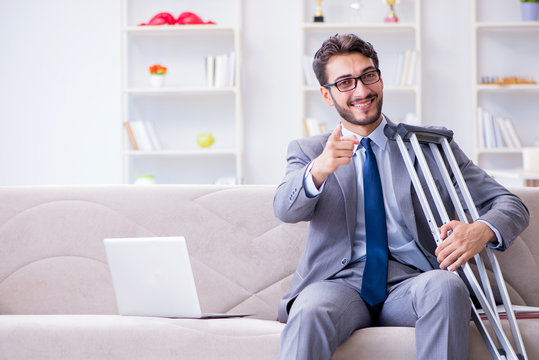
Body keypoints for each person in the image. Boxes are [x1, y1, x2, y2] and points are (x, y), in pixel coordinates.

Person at [273, 33, 529, 360]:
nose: (362, 91)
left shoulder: (430, 146)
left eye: (368, 76)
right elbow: (285, 208)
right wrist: (320, 169)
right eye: (345, 83)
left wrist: (480, 231)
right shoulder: (308, 151)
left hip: (413, 284)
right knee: (309, 310)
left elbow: (511, 204)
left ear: (380, 78)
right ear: (326, 94)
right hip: (338, 286)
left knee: (447, 287)